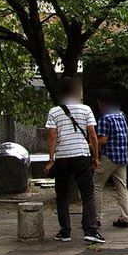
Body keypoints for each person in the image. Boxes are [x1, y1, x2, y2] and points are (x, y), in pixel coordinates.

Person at [45, 77, 105, 244]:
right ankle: (90, 230)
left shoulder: (54, 111)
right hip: (81, 155)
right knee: (87, 193)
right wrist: (95, 156)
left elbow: (52, 136)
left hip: (63, 157)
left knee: (62, 195)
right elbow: (92, 134)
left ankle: (65, 232)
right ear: (75, 91)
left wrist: (51, 159)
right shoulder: (86, 109)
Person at [93, 88, 128, 229]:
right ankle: (125, 217)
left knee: (96, 186)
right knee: (122, 187)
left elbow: (102, 140)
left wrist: (93, 148)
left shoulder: (105, 118)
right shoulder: (122, 115)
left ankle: (96, 218)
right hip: (122, 156)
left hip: (109, 156)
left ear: (102, 103)